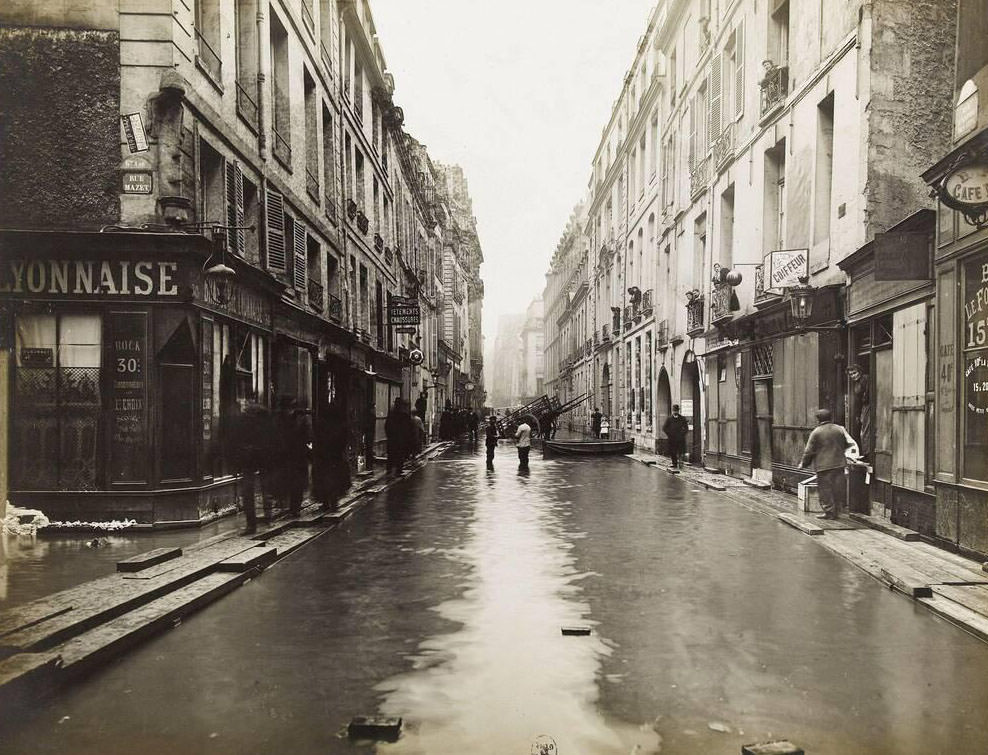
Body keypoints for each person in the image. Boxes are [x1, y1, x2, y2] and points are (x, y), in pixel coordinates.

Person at [228, 397, 273, 533]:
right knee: (266, 486)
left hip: (248, 458)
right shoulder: (265, 419)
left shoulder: (242, 420)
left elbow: (236, 440)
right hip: (264, 457)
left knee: (248, 490)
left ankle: (251, 524)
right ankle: (268, 515)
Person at [799, 408, 852, 520]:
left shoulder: (816, 432)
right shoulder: (840, 429)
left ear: (818, 419)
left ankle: (829, 512)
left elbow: (809, 451)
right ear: (830, 417)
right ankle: (837, 511)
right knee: (838, 488)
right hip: (839, 464)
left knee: (825, 490)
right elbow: (848, 443)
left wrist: (803, 464)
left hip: (824, 466)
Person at [312, 399, 350, 510]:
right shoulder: (341, 424)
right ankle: (333, 501)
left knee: (324, 479)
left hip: (324, 456)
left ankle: (325, 502)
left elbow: (317, 439)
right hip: (336, 456)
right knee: (335, 479)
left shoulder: (321, 424)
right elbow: (343, 440)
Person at [385, 397, 414, 475]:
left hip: (393, 439)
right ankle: (398, 469)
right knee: (400, 455)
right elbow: (408, 429)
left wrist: (389, 436)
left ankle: (389, 469)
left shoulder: (391, 414)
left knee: (391, 455)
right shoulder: (404, 415)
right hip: (400, 439)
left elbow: (387, 426)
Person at [663, 404, 689, 472]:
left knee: (680, 451)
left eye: (676, 411)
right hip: (672, 439)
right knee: (673, 451)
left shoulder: (682, 418)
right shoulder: (669, 419)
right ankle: (674, 463)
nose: (675, 412)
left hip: (680, 438)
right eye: (674, 411)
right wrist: (669, 434)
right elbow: (664, 428)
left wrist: (682, 434)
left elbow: (686, 428)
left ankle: (680, 462)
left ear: (678, 411)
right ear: (672, 411)